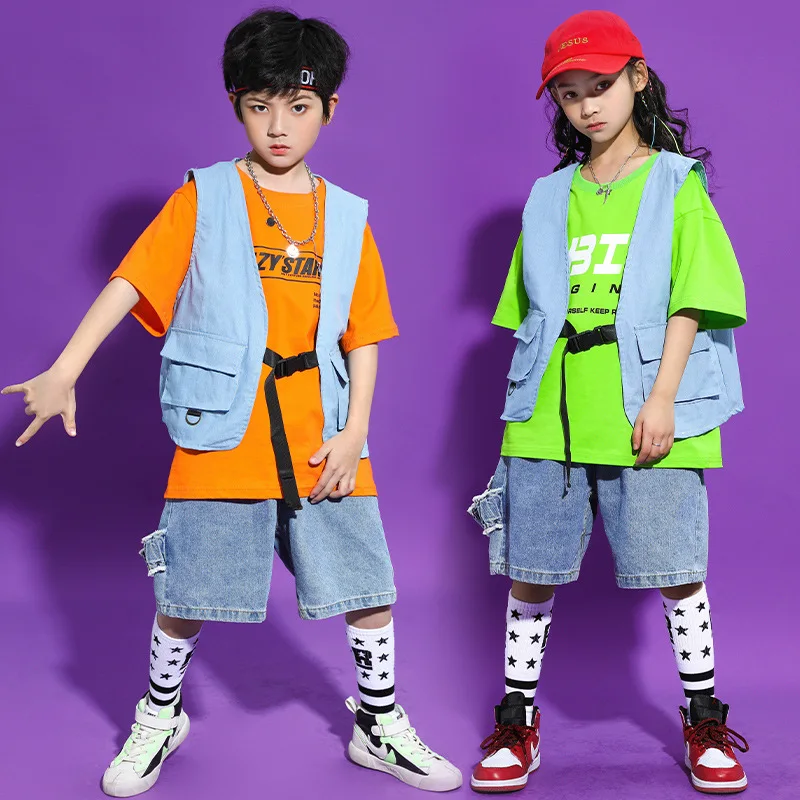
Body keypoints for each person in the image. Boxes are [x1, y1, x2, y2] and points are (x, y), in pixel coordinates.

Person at [2, 8, 461, 797]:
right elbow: (133, 280)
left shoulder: (348, 217)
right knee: (190, 587)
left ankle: (379, 722)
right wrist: (65, 367)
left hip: (322, 432)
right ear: (236, 105)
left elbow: (364, 335)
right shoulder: (206, 196)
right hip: (223, 425)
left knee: (367, 583)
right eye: (260, 105)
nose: (279, 126)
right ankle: (160, 714)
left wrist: (356, 431)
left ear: (329, 109)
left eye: (299, 106)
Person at [466, 10, 749, 795]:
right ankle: (518, 724)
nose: (587, 104)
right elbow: (532, 313)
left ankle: (703, 718)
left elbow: (693, 298)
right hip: (548, 413)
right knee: (531, 572)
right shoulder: (547, 196)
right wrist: (525, 409)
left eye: (601, 85)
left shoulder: (675, 183)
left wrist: (662, 399)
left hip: (645, 408)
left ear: (637, 79)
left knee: (677, 570)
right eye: (569, 93)